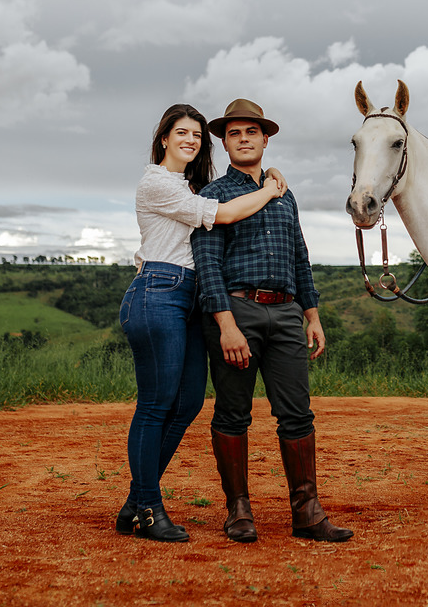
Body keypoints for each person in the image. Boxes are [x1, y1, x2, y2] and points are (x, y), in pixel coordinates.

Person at [117, 103, 287, 543]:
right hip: (158, 290)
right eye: (182, 133)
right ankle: (150, 509)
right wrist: (270, 189)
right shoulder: (156, 182)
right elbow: (227, 214)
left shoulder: (187, 186)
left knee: (189, 402)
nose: (191, 140)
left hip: (188, 299)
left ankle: (136, 501)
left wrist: (264, 180)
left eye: (196, 135)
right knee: (156, 406)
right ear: (163, 139)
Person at [191, 98, 353, 544]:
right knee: (232, 413)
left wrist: (311, 314)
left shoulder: (286, 193)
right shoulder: (212, 196)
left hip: (284, 313)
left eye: (251, 132)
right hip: (235, 310)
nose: (244, 139)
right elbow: (207, 264)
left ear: (266, 139)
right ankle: (238, 511)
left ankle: (307, 512)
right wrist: (225, 325)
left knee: (297, 415)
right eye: (234, 133)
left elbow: (300, 255)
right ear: (224, 143)